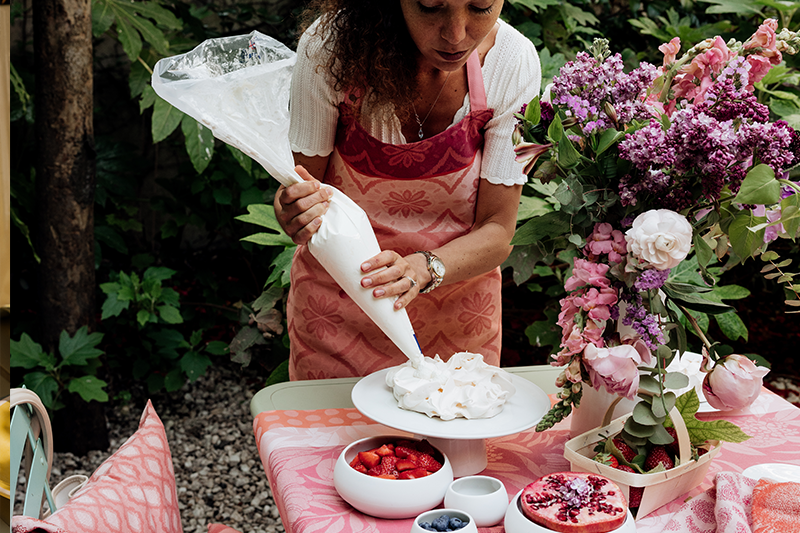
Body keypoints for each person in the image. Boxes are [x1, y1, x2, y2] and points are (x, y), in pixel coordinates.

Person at [275, 0, 541, 380]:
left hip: (459, 322)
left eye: (480, 7)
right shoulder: (331, 50)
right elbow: (305, 193)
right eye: (431, 7)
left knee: (451, 433)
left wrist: (424, 268)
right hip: (339, 315)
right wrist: (293, 210)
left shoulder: (510, 61)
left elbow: (498, 231)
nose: (455, 34)